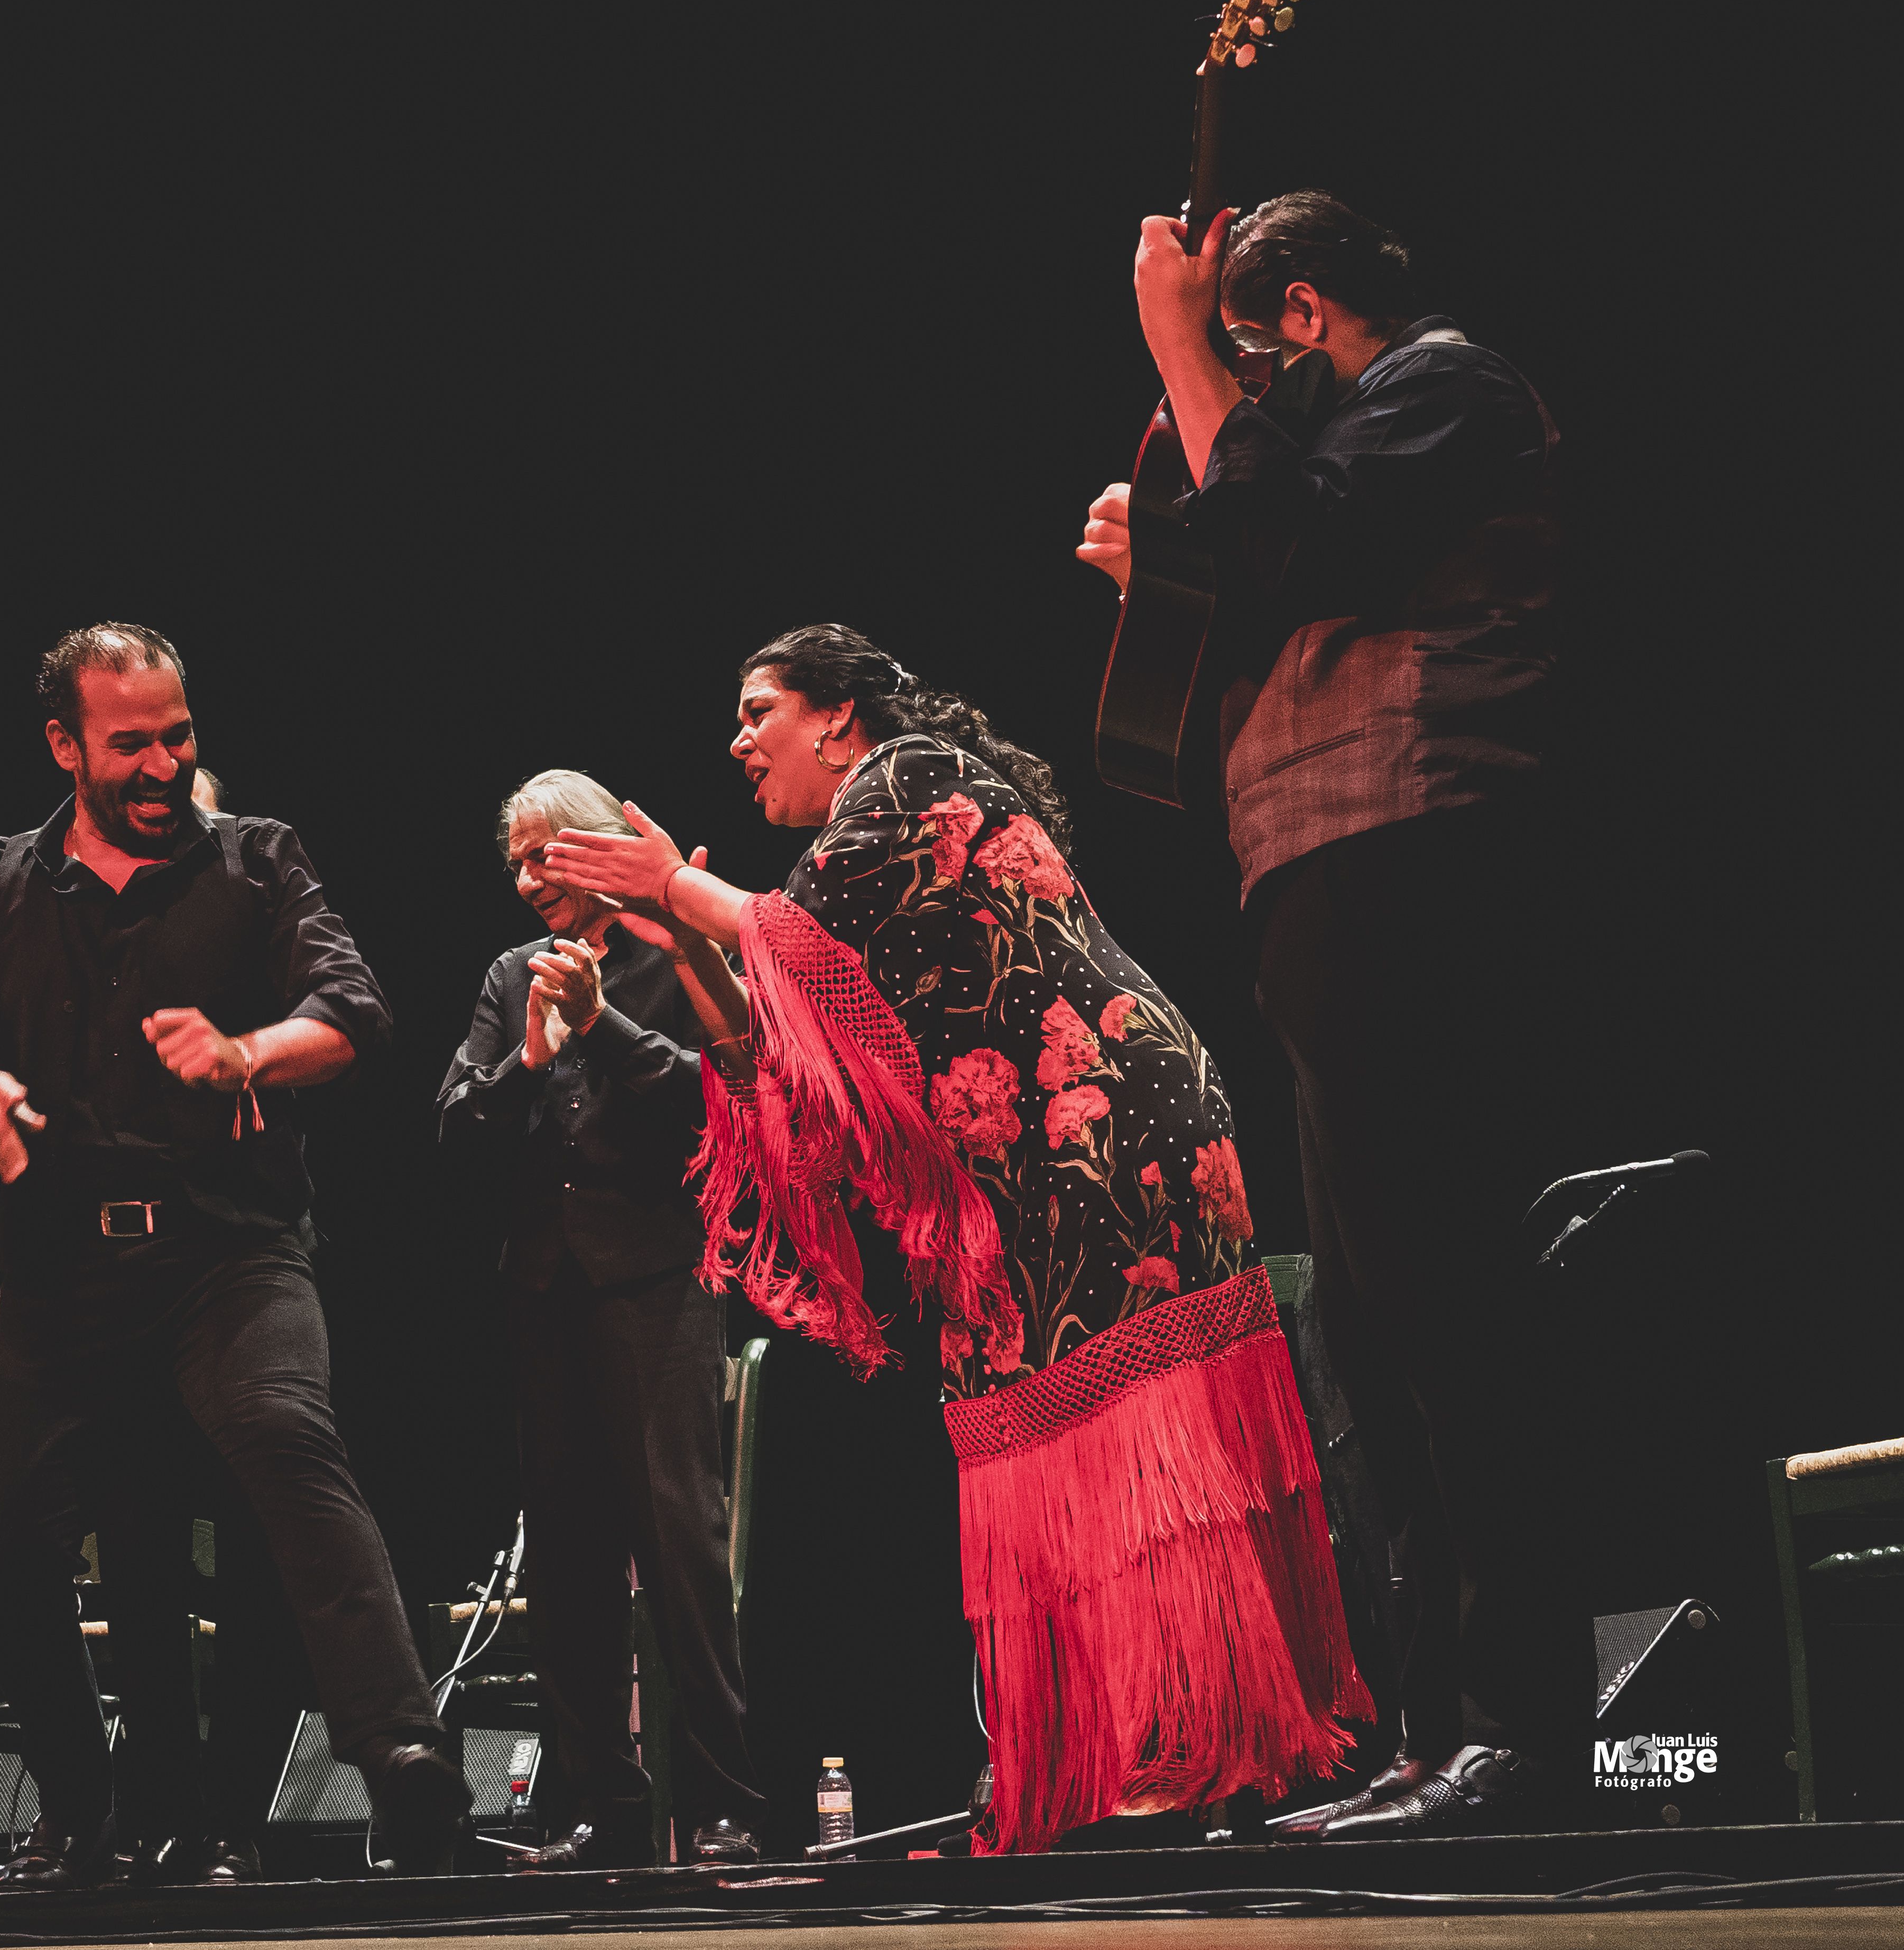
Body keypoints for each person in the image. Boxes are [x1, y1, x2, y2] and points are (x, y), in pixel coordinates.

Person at [539, 625, 1366, 1855]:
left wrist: (674, 885)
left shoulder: (909, 774)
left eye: (758, 708)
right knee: (1046, 1451)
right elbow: (784, 1046)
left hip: (1110, 1131)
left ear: (837, 717)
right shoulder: (857, 850)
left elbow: (787, 934)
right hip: (1023, 1168)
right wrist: (688, 932)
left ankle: (1185, 1755)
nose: (739, 737)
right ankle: (1122, 1760)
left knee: (1139, 1447)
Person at [1078, 191, 1579, 1837]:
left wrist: (1172, 337)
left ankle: (1521, 1732)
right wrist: (1166, 556)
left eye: (1241, 339)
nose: (1235, 373)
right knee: (1371, 1319)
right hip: (1319, 869)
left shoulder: (1444, 384)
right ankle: (1443, 1736)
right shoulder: (1338, 448)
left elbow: (1309, 538)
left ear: (1295, 314)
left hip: (1411, 845)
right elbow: (1268, 565)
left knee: (1444, 1295)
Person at [0, 622, 469, 1884]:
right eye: (131, 743)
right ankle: (89, 1811)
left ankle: (402, 1759)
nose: (164, 762)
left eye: (178, 735)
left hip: (232, 1252)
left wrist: (246, 1054)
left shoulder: (256, 859)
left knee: (289, 1438)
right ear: (65, 744)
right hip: (63, 1271)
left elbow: (354, 1011)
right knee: (3, 1556)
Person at [437, 770, 765, 1868]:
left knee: (679, 1545)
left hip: (658, 1282)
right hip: (544, 1293)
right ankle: (598, 1806)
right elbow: (455, 1125)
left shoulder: (680, 949)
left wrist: (601, 1021)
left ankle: (721, 1799)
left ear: (595, 849)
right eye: (516, 864)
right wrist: (531, 1050)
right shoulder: (504, 975)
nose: (530, 880)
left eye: (547, 857)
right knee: (567, 1558)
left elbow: (719, 1093)